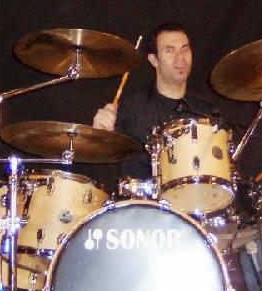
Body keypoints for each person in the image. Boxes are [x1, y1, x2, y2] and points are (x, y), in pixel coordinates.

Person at [92, 23, 215, 178]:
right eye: (170, 50)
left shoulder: (206, 112)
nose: (180, 58)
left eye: (185, 49)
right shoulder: (130, 109)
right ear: (154, 60)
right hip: (140, 193)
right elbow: (101, 156)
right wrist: (99, 136)